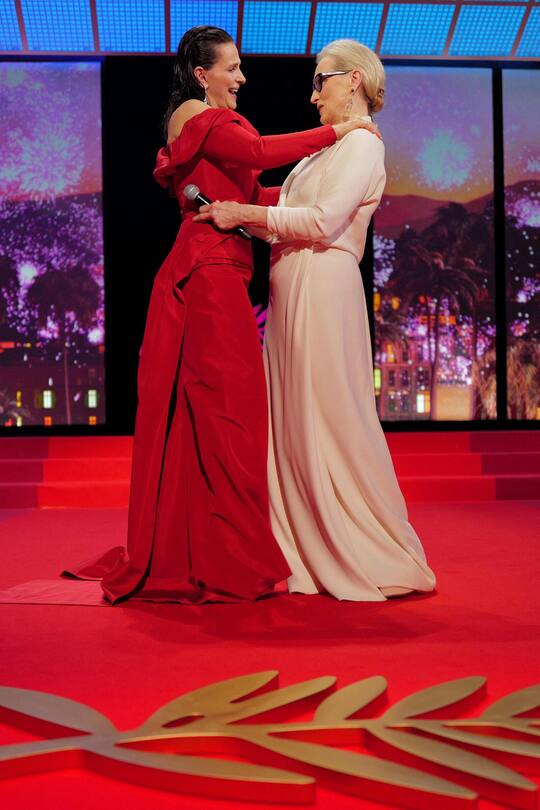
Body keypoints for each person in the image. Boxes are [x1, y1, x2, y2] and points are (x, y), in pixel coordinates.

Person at [65, 28, 377, 604]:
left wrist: (332, 188)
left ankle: (208, 546)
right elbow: (258, 156)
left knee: (219, 414)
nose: (242, 78)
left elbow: (259, 194)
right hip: (207, 275)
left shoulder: (213, 125)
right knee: (232, 414)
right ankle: (230, 557)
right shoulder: (195, 113)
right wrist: (339, 131)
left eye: (240, 67)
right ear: (202, 73)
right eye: (230, 68)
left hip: (222, 273)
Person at [194, 39, 437, 601]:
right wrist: (227, 207)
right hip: (291, 291)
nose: (313, 93)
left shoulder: (363, 145)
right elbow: (281, 217)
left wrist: (245, 212)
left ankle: (371, 548)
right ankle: (301, 547)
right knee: (292, 421)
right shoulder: (321, 153)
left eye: (321, 80)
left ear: (353, 80)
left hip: (324, 290)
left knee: (334, 417)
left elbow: (324, 221)